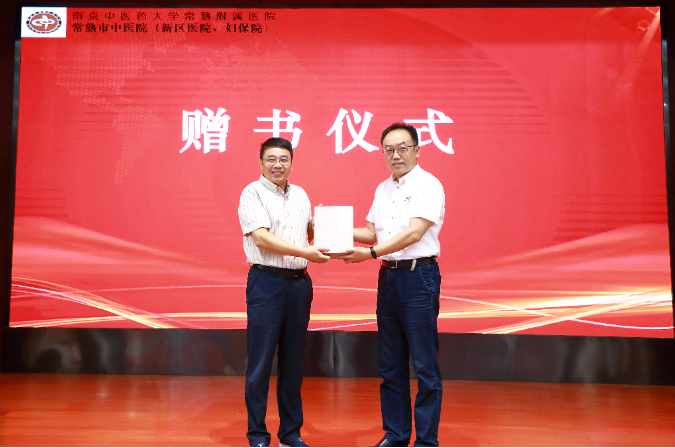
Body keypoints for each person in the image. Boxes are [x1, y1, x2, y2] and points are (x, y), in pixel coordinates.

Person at [338, 123, 445, 447]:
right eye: (389, 150)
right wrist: (327, 228)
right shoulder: (383, 189)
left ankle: (425, 442)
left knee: (424, 365)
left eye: (402, 148)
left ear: (416, 150)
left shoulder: (429, 185)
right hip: (389, 278)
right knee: (390, 362)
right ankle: (396, 435)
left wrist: (371, 253)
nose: (395, 155)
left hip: (418, 277)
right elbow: (372, 232)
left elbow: (414, 233)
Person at [238, 137, 330, 448]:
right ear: (261, 162)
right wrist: (306, 252)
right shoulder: (252, 193)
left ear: (291, 163)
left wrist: (332, 229)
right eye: (271, 159)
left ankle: (290, 434)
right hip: (267, 283)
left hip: (299, 286)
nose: (278, 165)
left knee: (293, 364)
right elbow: (262, 239)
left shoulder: (300, 195)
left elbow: (311, 231)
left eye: (284, 159)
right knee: (261, 363)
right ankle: (257, 435)